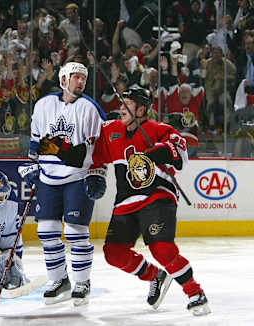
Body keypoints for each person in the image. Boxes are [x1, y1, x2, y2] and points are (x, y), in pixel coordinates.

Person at [37, 87, 211, 316]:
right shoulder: (111, 131)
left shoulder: (158, 129)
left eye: (127, 104)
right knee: (114, 253)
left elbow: (179, 153)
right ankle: (155, 276)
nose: (121, 108)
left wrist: (154, 153)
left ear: (141, 109)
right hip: (126, 202)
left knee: (162, 249)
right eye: (121, 103)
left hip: (156, 197)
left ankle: (195, 294)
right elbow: (88, 156)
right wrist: (61, 149)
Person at [22, 61, 107, 307]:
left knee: (75, 232)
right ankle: (59, 280)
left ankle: (82, 282)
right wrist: (33, 164)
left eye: (83, 78)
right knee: (46, 232)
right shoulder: (43, 105)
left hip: (78, 175)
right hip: (48, 176)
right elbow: (36, 140)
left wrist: (98, 173)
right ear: (63, 79)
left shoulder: (90, 108)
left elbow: (100, 146)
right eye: (76, 77)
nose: (81, 81)